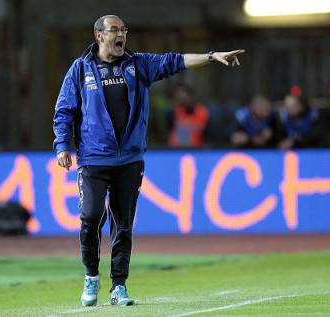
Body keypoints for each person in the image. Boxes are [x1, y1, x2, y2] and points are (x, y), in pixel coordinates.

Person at [53, 14, 244, 307]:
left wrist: (211, 56)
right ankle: (91, 275)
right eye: (115, 30)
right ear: (99, 35)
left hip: (129, 160)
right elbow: (64, 111)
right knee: (91, 218)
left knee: (123, 225)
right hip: (93, 160)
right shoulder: (80, 70)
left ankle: (119, 286)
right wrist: (63, 145)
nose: (121, 35)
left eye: (124, 30)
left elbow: (175, 61)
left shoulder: (138, 64)